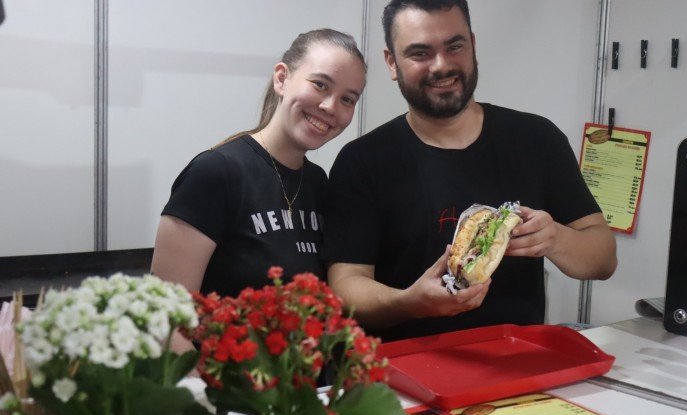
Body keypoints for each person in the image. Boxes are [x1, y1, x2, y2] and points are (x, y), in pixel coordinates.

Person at [321, 0, 617, 342]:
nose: (441, 65)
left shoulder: (536, 139)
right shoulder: (363, 161)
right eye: (420, 53)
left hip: (518, 369)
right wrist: (408, 303)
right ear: (392, 62)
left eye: (455, 46)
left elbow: (603, 257)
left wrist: (555, 238)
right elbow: (345, 287)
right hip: (404, 377)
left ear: (473, 46)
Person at [152, 29, 367, 349]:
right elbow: (167, 321)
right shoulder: (215, 174)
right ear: (282, 79)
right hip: (223, 391)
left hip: (298, 391)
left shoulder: (319, 184)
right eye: (320, 84)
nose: (330, 106)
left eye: (347, 99)